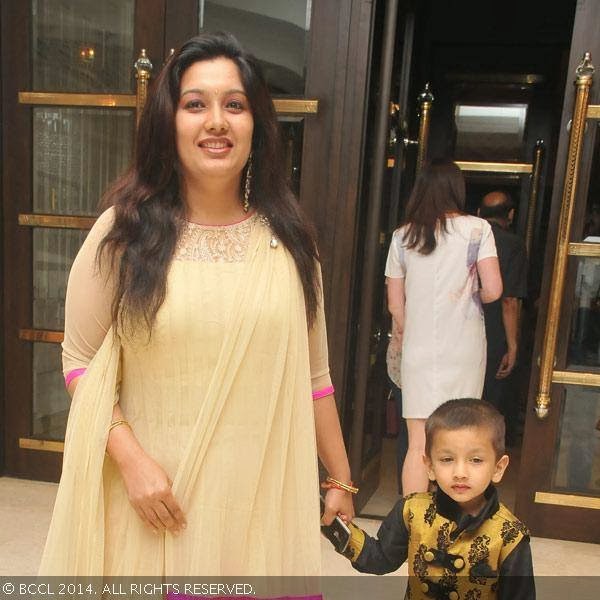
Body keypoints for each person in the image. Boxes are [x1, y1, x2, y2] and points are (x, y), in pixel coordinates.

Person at [39, 32, 354, 577]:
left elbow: (315, 376)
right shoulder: (124, 234)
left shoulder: (290, 243)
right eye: (195, 105)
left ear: (256, 124)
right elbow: (81, 360)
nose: (216, 122)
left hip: (256, 508)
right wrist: (133, 464)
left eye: (235, 105)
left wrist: (340, 480)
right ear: (169, 123)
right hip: (156, 510)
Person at [330, 399, 535, 600]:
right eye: (447, 459)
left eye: (476, 460)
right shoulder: (411, 511)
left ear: (498, 468)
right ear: (429, 466)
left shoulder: (510, 535)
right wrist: (336, 527)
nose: (460, 472)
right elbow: (380, 558)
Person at [385, 159, 502, 495]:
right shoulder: (479, 230)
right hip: (464, 348)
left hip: (419, 351)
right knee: (463, 439)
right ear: (456, 190)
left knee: (417, 445)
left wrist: (414, 329)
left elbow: (396, 305)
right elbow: (494, 289)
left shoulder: (402, 236)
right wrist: (467, 295)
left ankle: (413, 524)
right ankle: (455, 518)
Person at [478, 191, 528, 446]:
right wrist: (513, 345)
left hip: (462, 330)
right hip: (494, 333)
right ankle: (479, 456)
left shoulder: (468, 238)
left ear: (478, 214)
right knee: (487, 402)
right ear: (511, 215)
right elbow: (509, 300)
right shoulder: (513, 245)